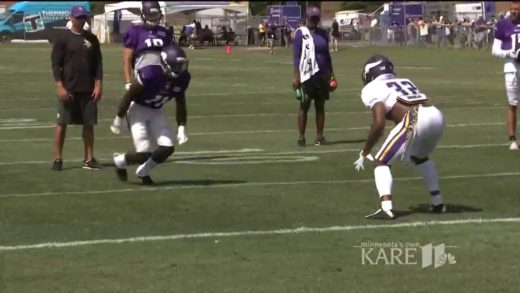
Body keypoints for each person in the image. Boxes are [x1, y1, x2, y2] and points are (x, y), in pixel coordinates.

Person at [354, 55, 446, 219]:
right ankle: (437, 202)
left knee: (381, 161)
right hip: (436, 115)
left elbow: (379, 122)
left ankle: (386, 207)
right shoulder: (405, 80)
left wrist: (366, 150)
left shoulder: (371, 88)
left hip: (415, 118)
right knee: (420, 156)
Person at [110, 45, 190, 185]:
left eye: (180, 65)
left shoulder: (182, 78)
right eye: (175, 65)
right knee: (144, 153)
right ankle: (119, 161)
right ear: (165, 63)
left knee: (167, 147)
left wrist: (182, 126)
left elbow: (181, 102)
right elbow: (129, 95)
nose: (179, 69)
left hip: (156, 110)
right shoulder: (150, 73)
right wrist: (118, 117)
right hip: (138, 110)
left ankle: (143, 171)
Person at [50, 5, 103, 171]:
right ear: (71, 18)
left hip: (88, 89)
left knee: (89, 125)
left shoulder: (92, 39)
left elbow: (98, 64)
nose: (81, 20)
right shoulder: (62, 39)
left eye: (83, 17)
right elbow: (55, 64)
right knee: (62, 123)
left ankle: (88, 159)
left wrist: (98, 84)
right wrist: (60, 86)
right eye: (78, 17)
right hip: (68, 88)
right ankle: (58, 159)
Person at [292, 6, 336, 146]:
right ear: (307, 18)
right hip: (307, 74)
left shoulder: (323, 33)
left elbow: (327, 55)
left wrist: (332, 74)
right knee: (304, 105)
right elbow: (296, 57)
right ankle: (301, 137)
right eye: (312, 18)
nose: (315, 21)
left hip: (322, 74)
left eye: (317, 18)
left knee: (320, 106)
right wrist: (296, 76)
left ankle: (319, 137)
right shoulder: (301, 33)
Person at [123, 1, 172, 91]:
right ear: (143, 15)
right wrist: (128, 81)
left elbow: (170, 57)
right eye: (150, 15)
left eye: (155, 15)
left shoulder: (164, 32)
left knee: (156, 104)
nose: (153, 18)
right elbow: (127, 59)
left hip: (161, 78)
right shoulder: (134, 31)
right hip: (141, 78)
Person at [492, 1, 520, 150]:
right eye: (512, 9)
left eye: (517, 9)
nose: (514, 12)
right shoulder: (503, 24)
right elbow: (495, 50)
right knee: (513, 103)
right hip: (511, 67)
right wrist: (509, 53)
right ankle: (512, 139)